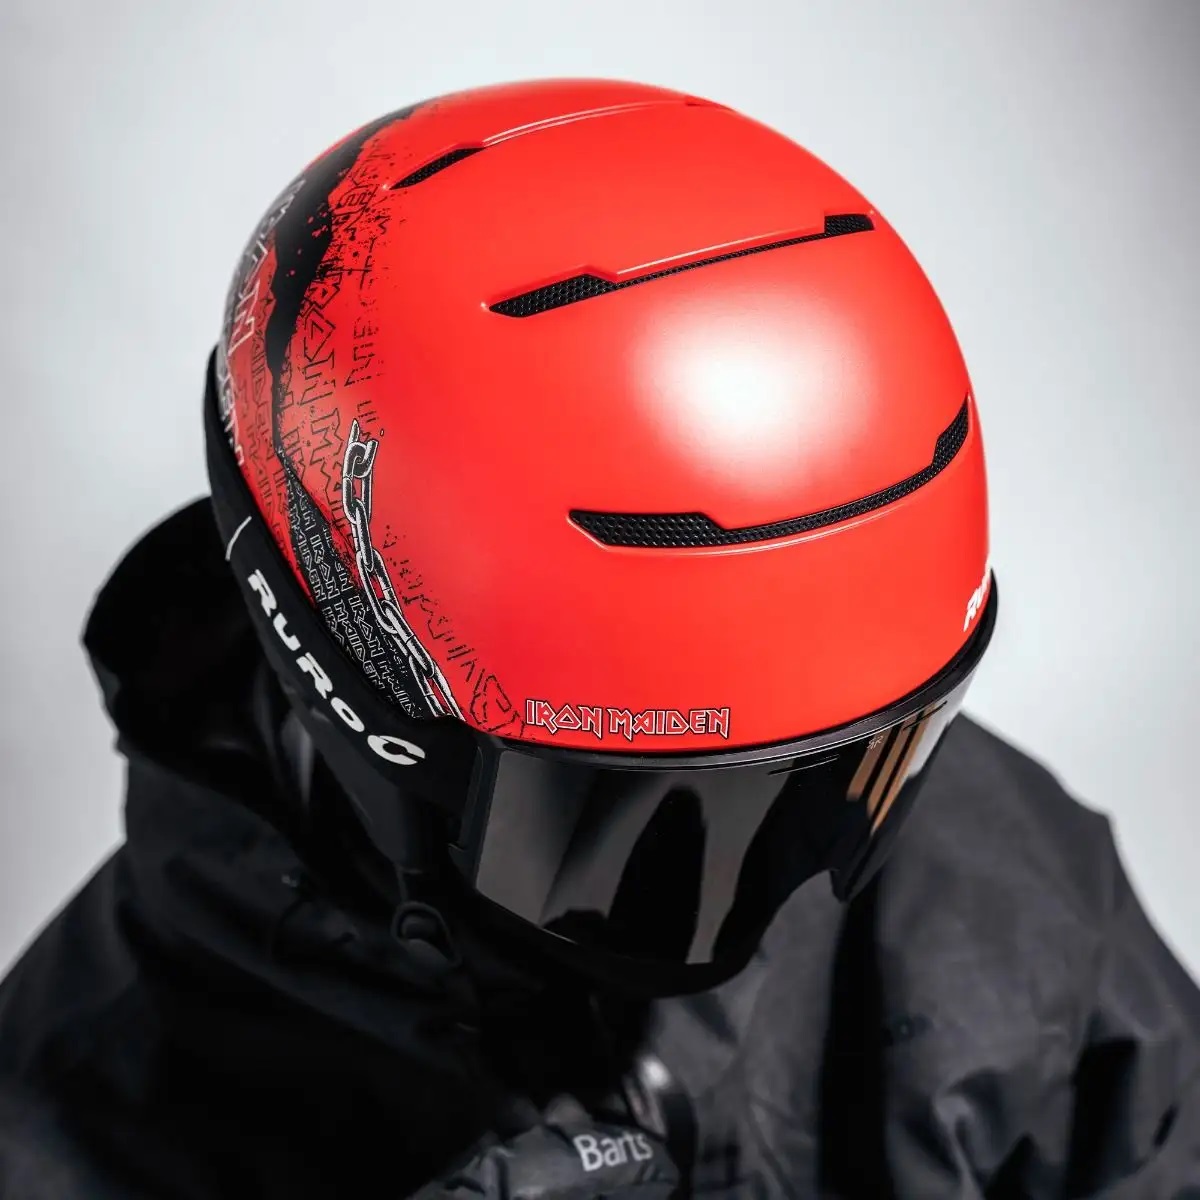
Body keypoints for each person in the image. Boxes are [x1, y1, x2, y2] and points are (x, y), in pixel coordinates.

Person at [0, 77, 1196, 1199]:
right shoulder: (62, 1118)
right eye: (627, 822)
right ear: (347, 696)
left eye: (871, 766)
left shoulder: (1007, 901)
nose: (782, 882)